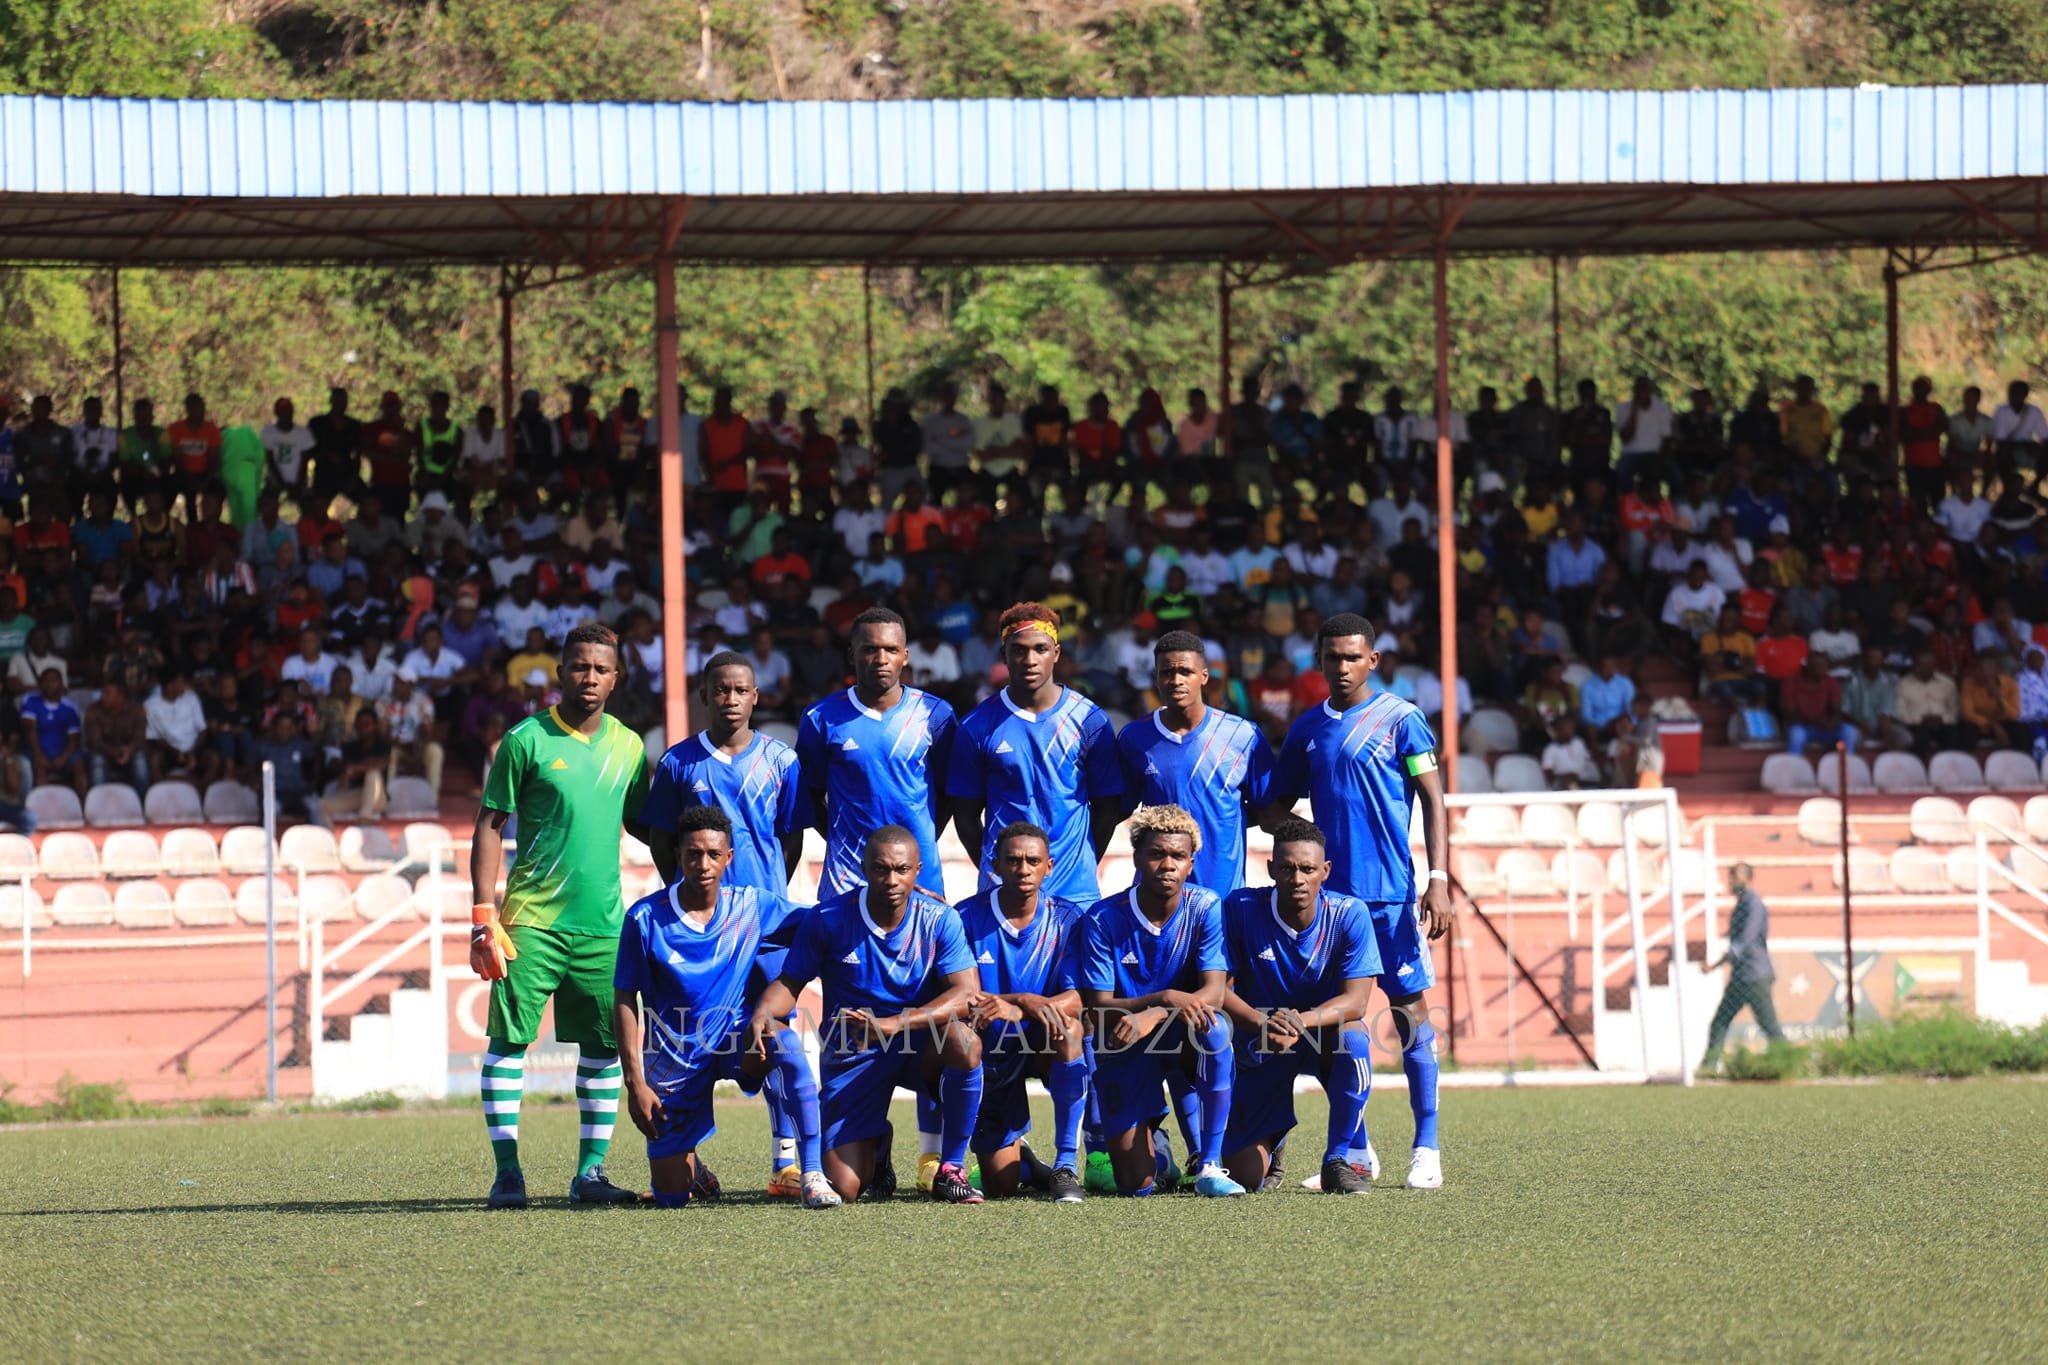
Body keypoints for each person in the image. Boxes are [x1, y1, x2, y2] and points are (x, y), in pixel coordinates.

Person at [468, 622, 652, 1210]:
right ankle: (507, 1173)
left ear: (616, 678)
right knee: (507, 1043)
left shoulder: (630, 747)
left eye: (601, 669)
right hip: (529, 922)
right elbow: (490, 825)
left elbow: (648, 827)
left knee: (601, 1052)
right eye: (580, 666)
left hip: (604, 927)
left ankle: (589, 1175)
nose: (590, 677)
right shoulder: (525, 740)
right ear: (560, 671)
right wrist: (481, 914)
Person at [1274, 612, 1451, 1191]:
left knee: (1409, 1016)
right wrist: (1303, 851)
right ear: (1319, 662)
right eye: (1333, 657)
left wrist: (1439, 877)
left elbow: (1432, 797)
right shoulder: (1307, 730)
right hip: (1332, 909)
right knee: (1337, 1027)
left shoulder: (1403, 720)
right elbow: (1274, 806)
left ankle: (1426, 1147)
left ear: (1373, 660)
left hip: (1391, 898)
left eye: (1354, 657)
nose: (1343, 666)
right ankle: (1356, 1148)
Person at [613, 805, 840, 1211]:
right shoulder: (644, 919)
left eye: (714, 855)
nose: (704, 864)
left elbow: (823, 921)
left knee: (785, 1043)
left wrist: (882, 899)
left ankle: (811, 1173)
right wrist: (635, 1083)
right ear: (678, 855)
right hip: (673, 1059)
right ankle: (693, 1170)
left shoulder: (751, 906)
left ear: (729, 858)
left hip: (736, 1039)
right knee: (671, 1199)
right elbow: (625, 1000)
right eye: (693, 854)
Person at [745, 826, 985, 1204]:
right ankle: (878, 1141)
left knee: (964, 1042)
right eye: (881, 869)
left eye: (901, 870)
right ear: (864, 868)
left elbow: (967, 994)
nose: (891, 879)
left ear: (917, 870)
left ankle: (950, 1168)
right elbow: (789, 984)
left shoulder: (940, 919)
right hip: (855, 1052)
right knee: (845, 1187)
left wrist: (892, 1025)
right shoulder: (828, 919)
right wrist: (762, 1012)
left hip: (919, 1044)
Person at [1078, 804, 1240, 1198]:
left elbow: (1215, 992)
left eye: (1177, 856)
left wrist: (1156, 1010)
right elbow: (1097, 1005)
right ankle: (1159, 1148)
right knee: (1137, 1185)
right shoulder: (1103, 918)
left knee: (1216, 1030)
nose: (1167, 864)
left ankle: (1209, 1163)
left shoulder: (1205, 906)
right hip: (1124, 1041)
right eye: (1156, 854)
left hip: (1181, 1035)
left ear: (1190, 862)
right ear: (1137, 858)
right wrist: (1164, 999)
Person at [1218, 817, 1382, 1197]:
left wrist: (1298, 1021)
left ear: (1324, 871)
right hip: (1260, 1038)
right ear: (1271, 868)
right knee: (1246, 1178)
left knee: (1355, 1043)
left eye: (1308, 869)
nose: (1297, 878)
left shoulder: (1349, 914)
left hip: (1322, 1036)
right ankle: (1273, 1140)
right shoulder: (1240, 908)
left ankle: (1337, 1160)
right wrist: (1260, 1022)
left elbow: (1356, 1002)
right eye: (1288, 868)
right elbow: (1219, 989)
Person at [946, 601, 1124, 907]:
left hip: (1074, 891)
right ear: (1004, 655)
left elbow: (1108, 809)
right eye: (1018, 650)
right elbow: (965, 816)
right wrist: (998, 871)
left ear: (1055, 653)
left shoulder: (1090, 721)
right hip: (1000, 891)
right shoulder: (975, 726)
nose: (1030, 659)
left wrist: (1080, 863)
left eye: (1040, 649)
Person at [956, 822, 1089, 1202]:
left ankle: (1066, 1164)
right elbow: (960, 994)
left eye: (1033, 861)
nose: (1024, 868)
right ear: (994, 865)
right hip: (992, 1050)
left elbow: (1079, 997)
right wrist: (1017, 1003)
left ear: (1049, 865)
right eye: (1013, 860)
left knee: (1070, 1030)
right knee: (1000, 1185)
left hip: (1042, 1038)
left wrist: (1022, 1003)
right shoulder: (967, 917)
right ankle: (1026, 1163)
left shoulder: (1068, 919)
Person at [796, 607, 957, 899]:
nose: (881, 659)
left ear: (905, 656)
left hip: (919, 875)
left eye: (891, 649)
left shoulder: (935, 714)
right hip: (847, 877)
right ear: (851, 655)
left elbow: (951, 793)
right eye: (870, 649)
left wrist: (922, 841)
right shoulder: (821, 717)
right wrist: (839, 839)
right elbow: (809, 794)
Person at [1117, 629, 1276, 896]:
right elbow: (1116, 810)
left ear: (1204, 676)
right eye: (1166, 673)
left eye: (1185, 672)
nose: (1175, 680)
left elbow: (1269, 811)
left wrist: (1220, 820)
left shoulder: (1242, 736)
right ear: (1156, 678)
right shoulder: (1134, 738)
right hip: (1157, 895)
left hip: (1222, 897)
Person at [643, 652, 805, 895]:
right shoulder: (676, 761)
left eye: (741, 690)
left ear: (755, 696)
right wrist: (686, 894)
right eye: (720, 690)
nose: (731, 699)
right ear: (704, 696)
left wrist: (771, 891)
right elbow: (661, 842)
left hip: (762, 907)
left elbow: (792, 841)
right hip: (699, 911)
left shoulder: (783, 761)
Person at [1700, 862, 1786, 1071]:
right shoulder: (1742, 904)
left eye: (1734, 876)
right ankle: (1709, 1068)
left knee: (1769, 1027)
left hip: (1754, 977)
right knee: (1720, 1022)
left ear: (1747, 878)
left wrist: (1715, 964)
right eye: (1729, 876)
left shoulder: (1753, 904)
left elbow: (1745, 942)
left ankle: (1790, 1063)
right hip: (1742, 977)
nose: (1730, 881)